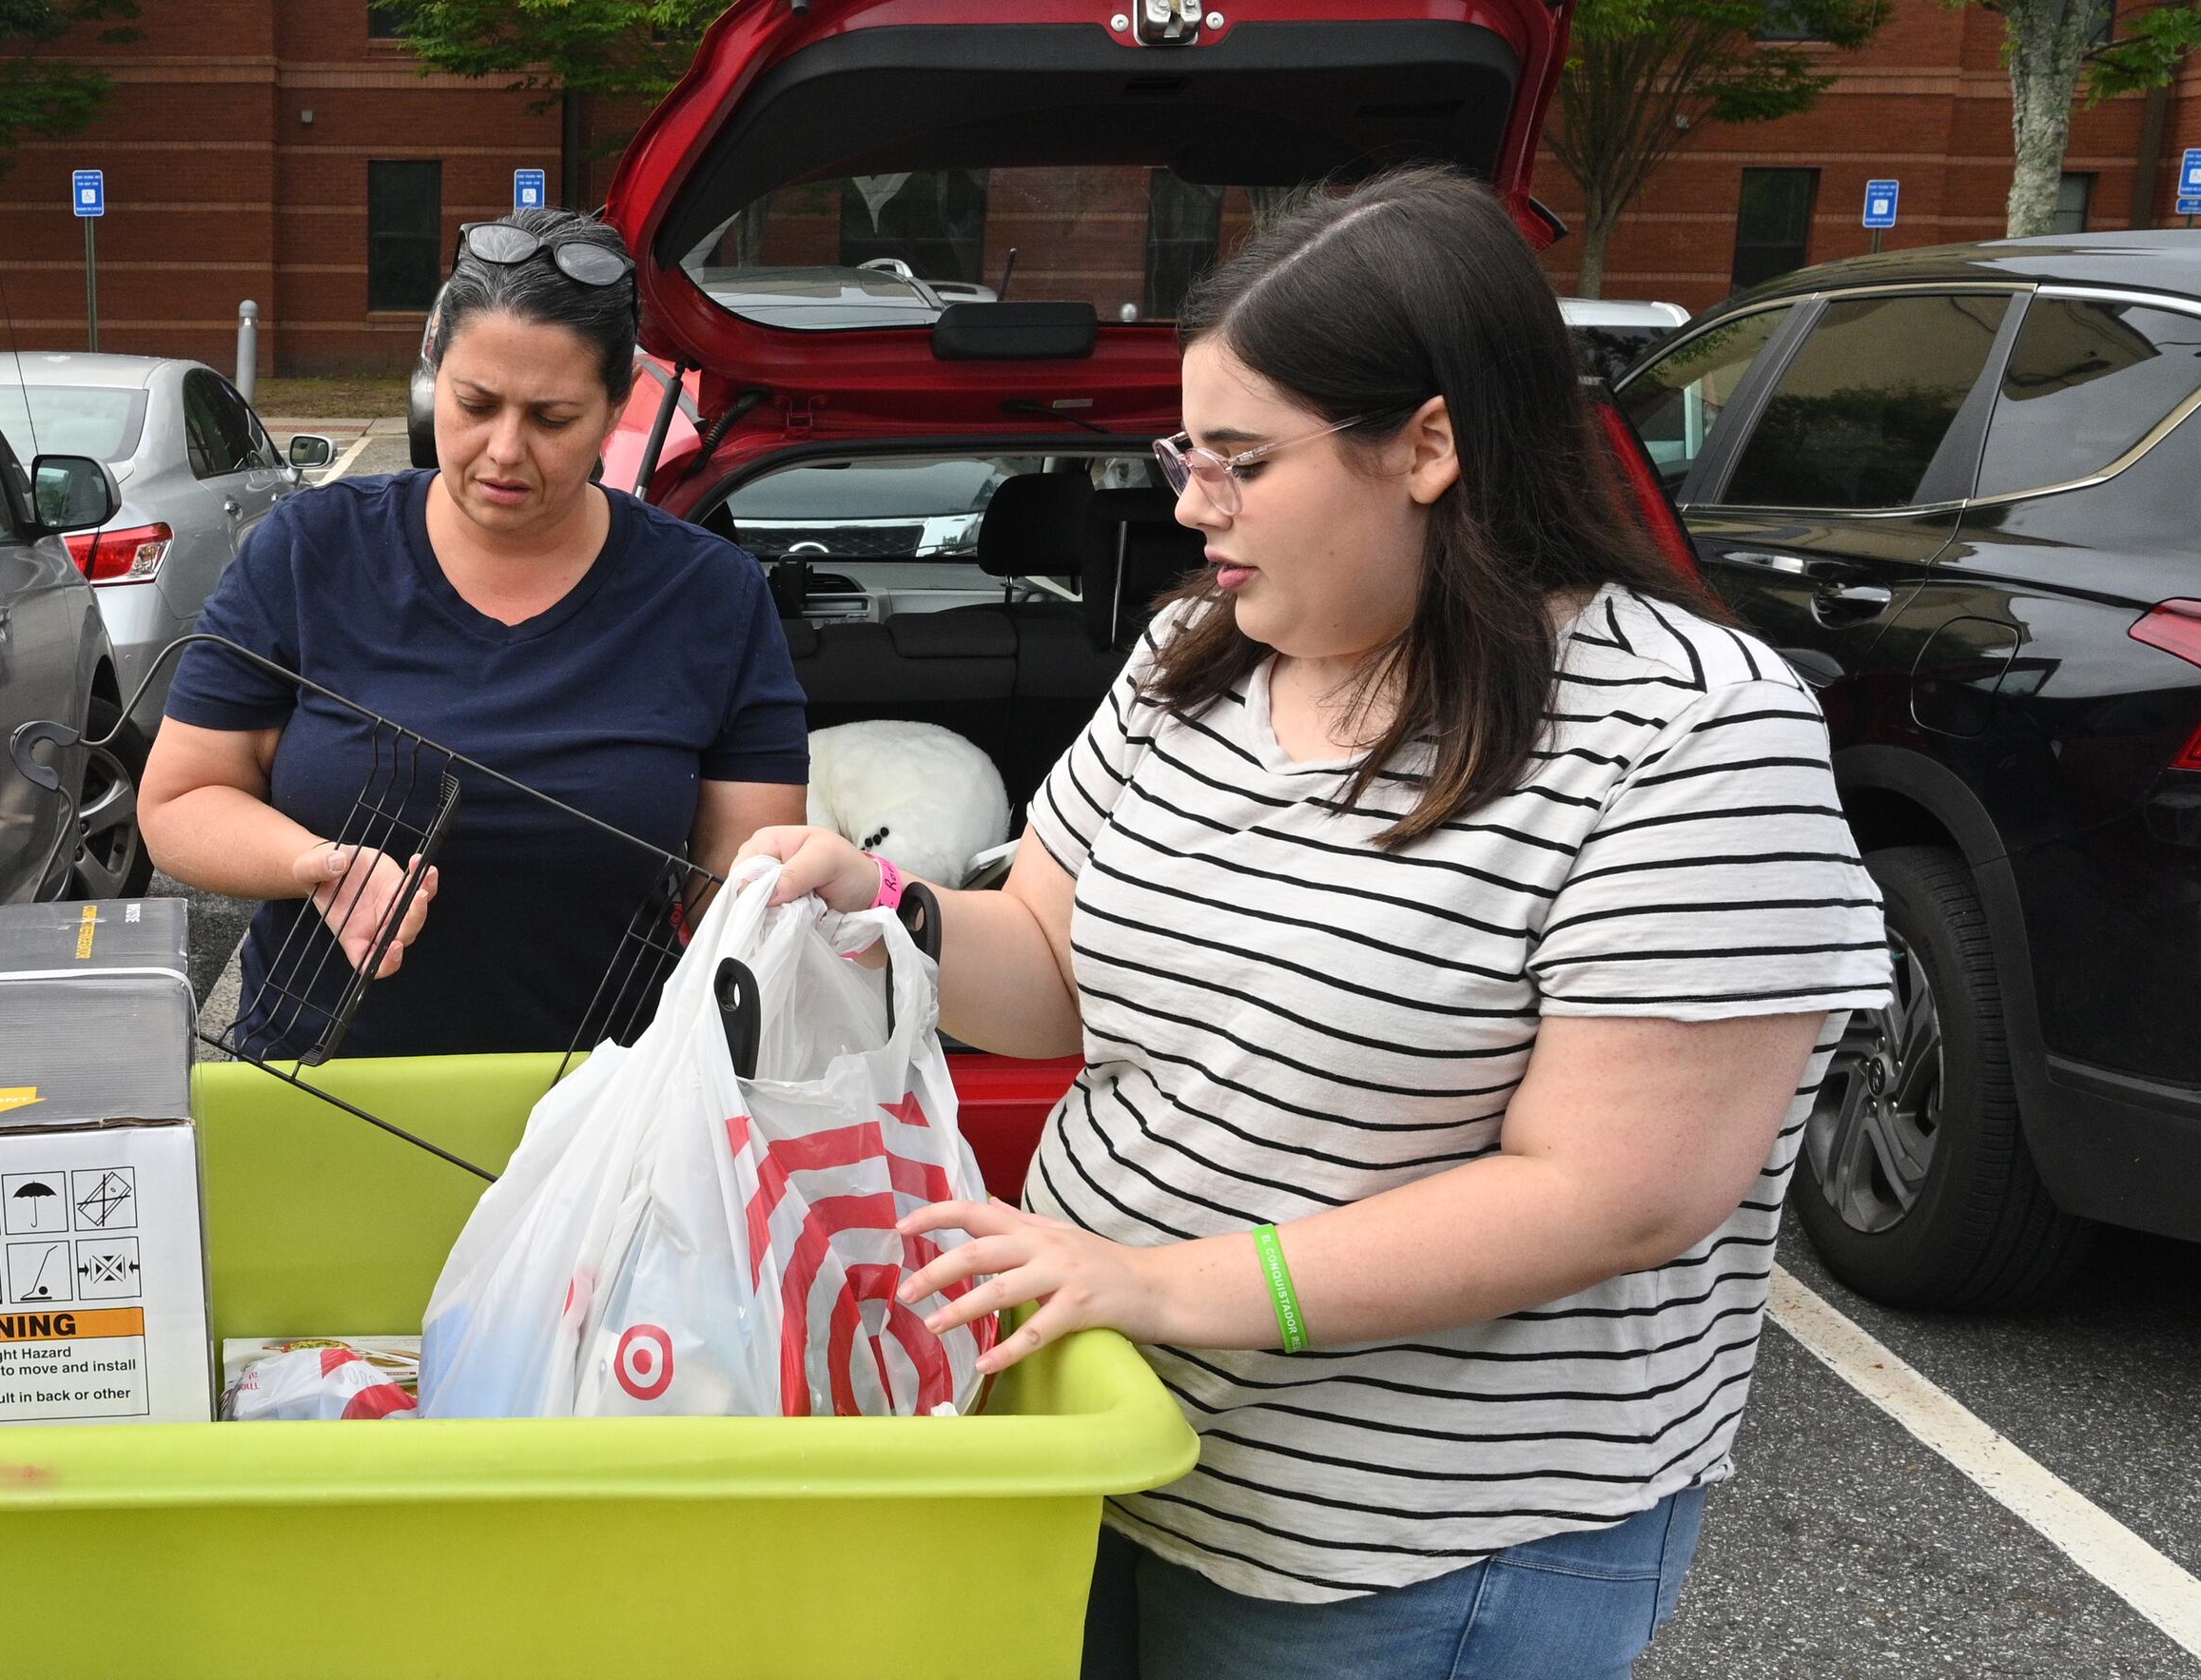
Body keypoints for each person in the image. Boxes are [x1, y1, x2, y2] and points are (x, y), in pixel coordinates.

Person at [744, 166, 1888, 1679]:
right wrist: (881, 906)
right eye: (1183, 450)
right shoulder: (1191, 661)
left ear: (1427, 447)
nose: (1187, 505)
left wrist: (1172, 1284)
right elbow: (1058, 973)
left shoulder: (1688, 738)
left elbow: (1619, 1194)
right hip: (1107, 1446)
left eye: (1237, 460)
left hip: (1406, 1554)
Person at [143, 206, 808, 1057]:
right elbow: (179, 802)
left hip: (609, 1108)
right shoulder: (310, 552)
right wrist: (318, 866)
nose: (503, 450)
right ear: (431, 375)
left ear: (616, 411)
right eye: (475, 404)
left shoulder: (711, 596)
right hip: (324, 1091)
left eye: (552, 418)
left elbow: (742, 889)